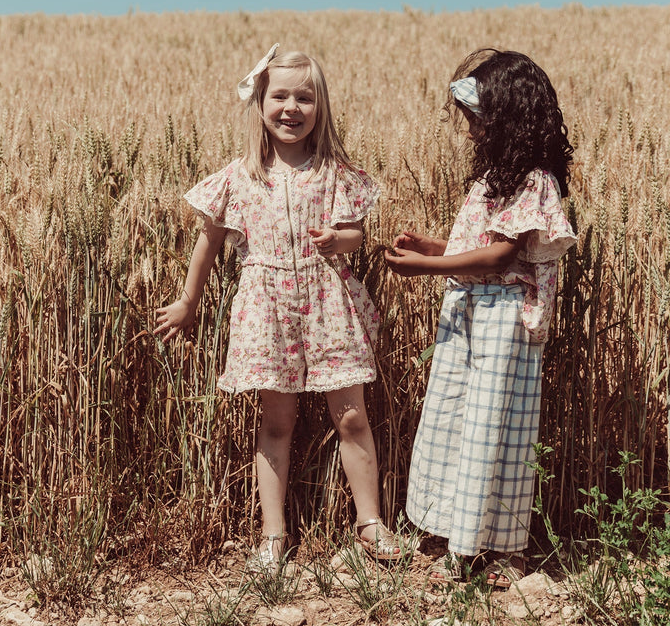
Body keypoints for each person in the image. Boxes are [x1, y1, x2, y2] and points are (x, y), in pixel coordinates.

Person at [155, 44, 401, 570]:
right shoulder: (238, 177)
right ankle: (273, 534)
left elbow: (358, 231)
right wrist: (188, 299)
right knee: (275, 422)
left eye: (305, 98)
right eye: (280, 96)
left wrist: (343, 239)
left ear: (321, 107)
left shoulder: (336, 170)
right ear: (260, 103)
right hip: (266, 308)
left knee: (353, 416)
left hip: (328, 301)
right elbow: (210, 241)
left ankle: (370, 524)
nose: (292, 108)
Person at [385, 49, 576, 589]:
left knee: (494, 427)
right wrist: (431, 246)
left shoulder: (535, 180)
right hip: (470, 314)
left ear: (511, 116)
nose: (471, 131)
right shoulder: (494, 177)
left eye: (478, 119)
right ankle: (457, 534)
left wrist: (428, 267)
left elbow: (501, 258)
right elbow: (477, 248)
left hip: (502, 320)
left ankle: (497, 547)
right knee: (458, 421)